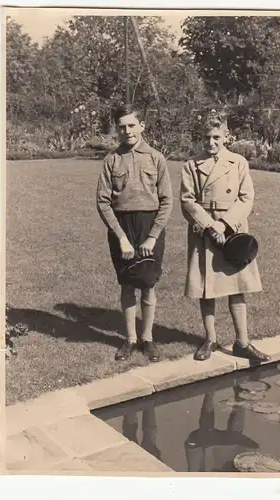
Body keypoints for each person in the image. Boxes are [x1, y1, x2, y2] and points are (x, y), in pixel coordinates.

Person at [180, 109, 270, 362]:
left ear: (226, 136)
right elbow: (187, 201)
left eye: (216, 137)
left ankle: (243, 342)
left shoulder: (238, 162)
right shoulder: (191, 165)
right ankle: (210, 339)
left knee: (236, 287)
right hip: (204, 232)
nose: (211, 143)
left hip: (233, 231)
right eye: (207, 137)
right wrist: (210, 226)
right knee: (207, 289)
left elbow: (246, 198)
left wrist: (225, 225)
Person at [97, 104, 173, 362]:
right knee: (128, 284)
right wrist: (121, 237)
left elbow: (166, 201)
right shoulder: (111, 160)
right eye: (122, 127)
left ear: (142, 126)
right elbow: (103, 202)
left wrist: (152, 236)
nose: (127, 131)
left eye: (132, 125)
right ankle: (130, 339)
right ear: (116, 129)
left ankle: (147, 338)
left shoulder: (156, 158)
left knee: (149, 283)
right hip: (122, 227)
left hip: (150, 225)